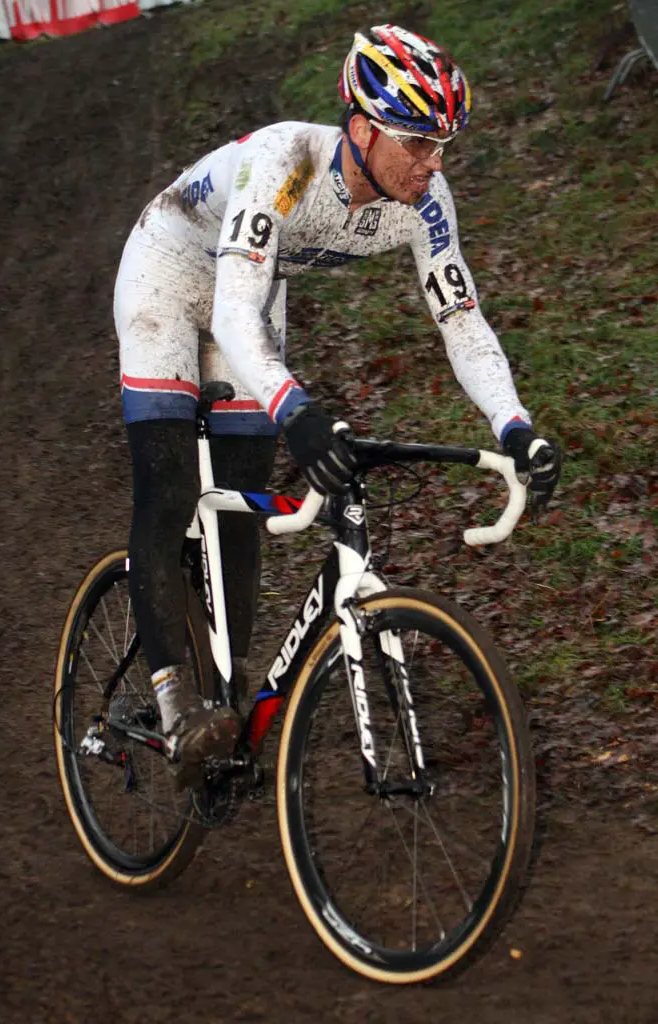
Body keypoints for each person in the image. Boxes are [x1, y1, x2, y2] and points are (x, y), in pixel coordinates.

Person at [113, 23, 561, 781]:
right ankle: (173, 704)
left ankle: (226, 699)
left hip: (249, 296)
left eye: (441, 144)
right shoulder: (284, 163)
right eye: (417, 143)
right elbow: (231, 315)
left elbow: (461, 319)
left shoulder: (423, 199)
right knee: (170, 482)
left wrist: (513, 426)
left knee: (245, 507)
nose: (432, 162)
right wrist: (297, 409)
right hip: (169, 269)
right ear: (361, 128)